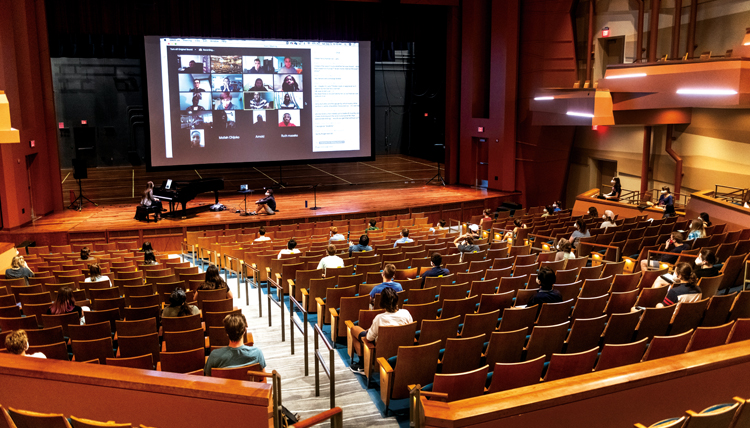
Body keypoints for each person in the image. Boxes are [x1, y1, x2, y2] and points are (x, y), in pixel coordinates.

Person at [349, 287, 412, 374]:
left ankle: (362, 365)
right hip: (401, 349)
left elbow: (369, 339)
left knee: (354, 329)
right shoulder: (406, 313)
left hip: (381, 350)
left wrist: (369, 331)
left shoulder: (379, 318)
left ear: (382, 302)